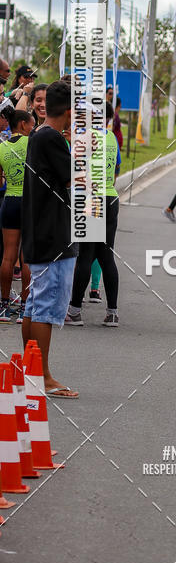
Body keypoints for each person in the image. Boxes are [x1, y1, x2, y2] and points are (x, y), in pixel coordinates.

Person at [21, 80, 78, 398]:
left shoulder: (39, 134)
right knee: (45, 306)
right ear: (68, 111)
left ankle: (32, 371)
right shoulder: (52, 138)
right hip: (54, 233)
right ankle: (41, 376)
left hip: (39, 229)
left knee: (33, 304)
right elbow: (72, 178)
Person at [65, 102, 121, 328]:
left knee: (85, 256)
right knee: (107, 256)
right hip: (110, 197)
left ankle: (75, 311)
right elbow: (116, 169)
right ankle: (113, 313)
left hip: (90, 198)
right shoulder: (111, 137)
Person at [0, 108, 35, 323]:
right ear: (22, 124)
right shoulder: (33, 144)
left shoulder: (1, 146)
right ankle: (24, 308)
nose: (33, 128)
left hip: (9, 202)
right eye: (31, 124)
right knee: (27, 257)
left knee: (7, 255)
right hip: (30, 203)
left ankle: (3, 306)